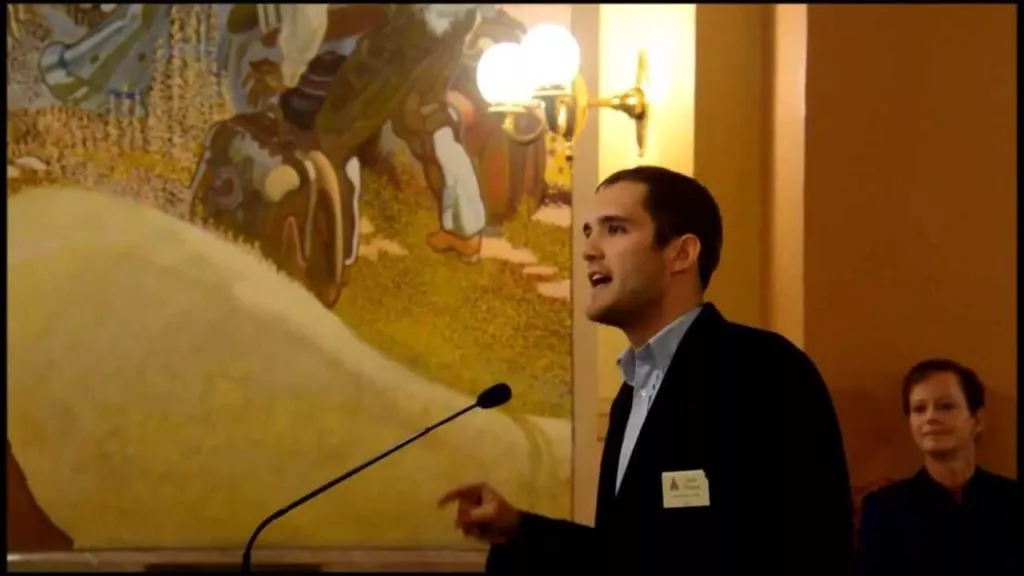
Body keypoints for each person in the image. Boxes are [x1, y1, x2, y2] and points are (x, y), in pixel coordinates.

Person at [438, 166, 854, 574]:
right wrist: (519, 530)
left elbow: (807, 548)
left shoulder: (764, 370)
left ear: (682, 253)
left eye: (614, 229)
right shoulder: (633, 392)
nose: (588, 250)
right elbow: (629, 553)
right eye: (588, 231)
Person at [856, 359, 1021, 576]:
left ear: (977, 420)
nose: (931, 417)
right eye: (919, 409)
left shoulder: (1015, 501)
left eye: (945, 406)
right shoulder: (885, 509)